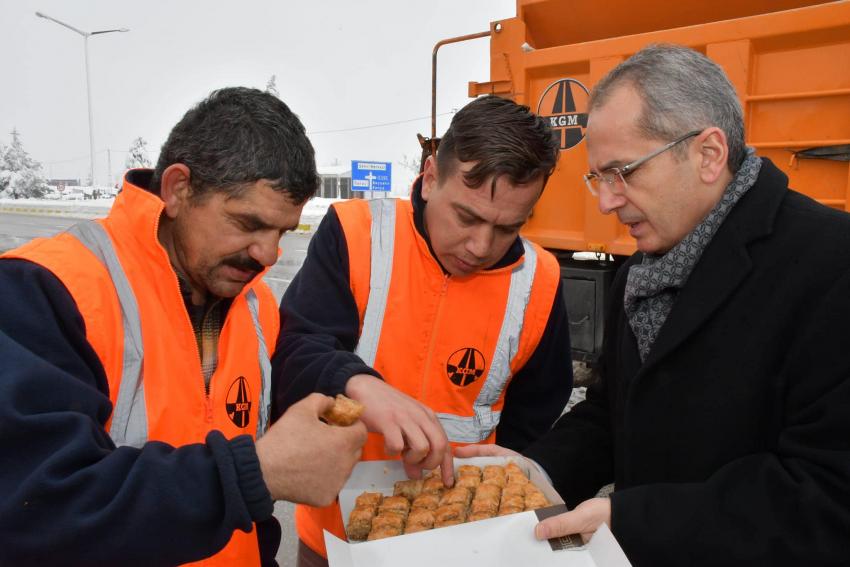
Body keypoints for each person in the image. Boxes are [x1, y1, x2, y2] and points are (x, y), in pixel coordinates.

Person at [458, 44, 850, 566]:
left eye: (624, 171)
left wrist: (634, 520)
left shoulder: (830, 267)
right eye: (598, 177)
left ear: (708, 154)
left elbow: (828, 494)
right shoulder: (639, 275)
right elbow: (612, 414)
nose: (605, 201)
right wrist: (538, 471)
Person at [0, 87, 367, 566]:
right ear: (178, 189)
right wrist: (251, 474)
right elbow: (34, 507)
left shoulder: (255, 305)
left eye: (282, 232)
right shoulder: (45, 289)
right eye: (247, 223)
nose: (268, 255)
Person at [272, 94, 574, 565]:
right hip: (338, 535)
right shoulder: (356, 233)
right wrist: (360, 385)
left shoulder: (540, 278)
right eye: (467, 217)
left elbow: (534, 416)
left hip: (466, 540)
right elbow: (295, 350)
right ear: (431, 176)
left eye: (506, 228)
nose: (480, 246)